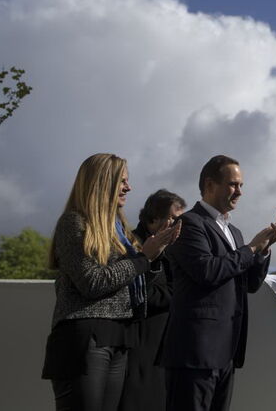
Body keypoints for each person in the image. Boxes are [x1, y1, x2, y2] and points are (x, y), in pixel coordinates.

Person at [42, 153, 180, 411]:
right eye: (122, 181)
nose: (129, 187)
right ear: (102, 182)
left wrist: (154, 256)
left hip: (119, 336)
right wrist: (143, 259)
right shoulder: (73, 223)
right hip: (85, 338)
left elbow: (134, 283)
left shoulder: (120, 230)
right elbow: (92, 282)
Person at [160, 154, 276, 411]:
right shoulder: (189, 223)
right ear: (210, 185)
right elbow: (207, 271)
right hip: (195, 353)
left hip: (226, 350)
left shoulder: (234, 232)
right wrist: (251, 249)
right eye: (233, 184)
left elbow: (249, 284)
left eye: (241, 185)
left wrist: (263, 251)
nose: (239, 191)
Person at [119, 189, 187, 411]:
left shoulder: (177, 249)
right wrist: (178, 294)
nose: (179, 226)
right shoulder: (130, 245)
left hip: (166, 347)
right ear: (153, 219)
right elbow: (136, 292)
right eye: (174, 219)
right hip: (140, 345)